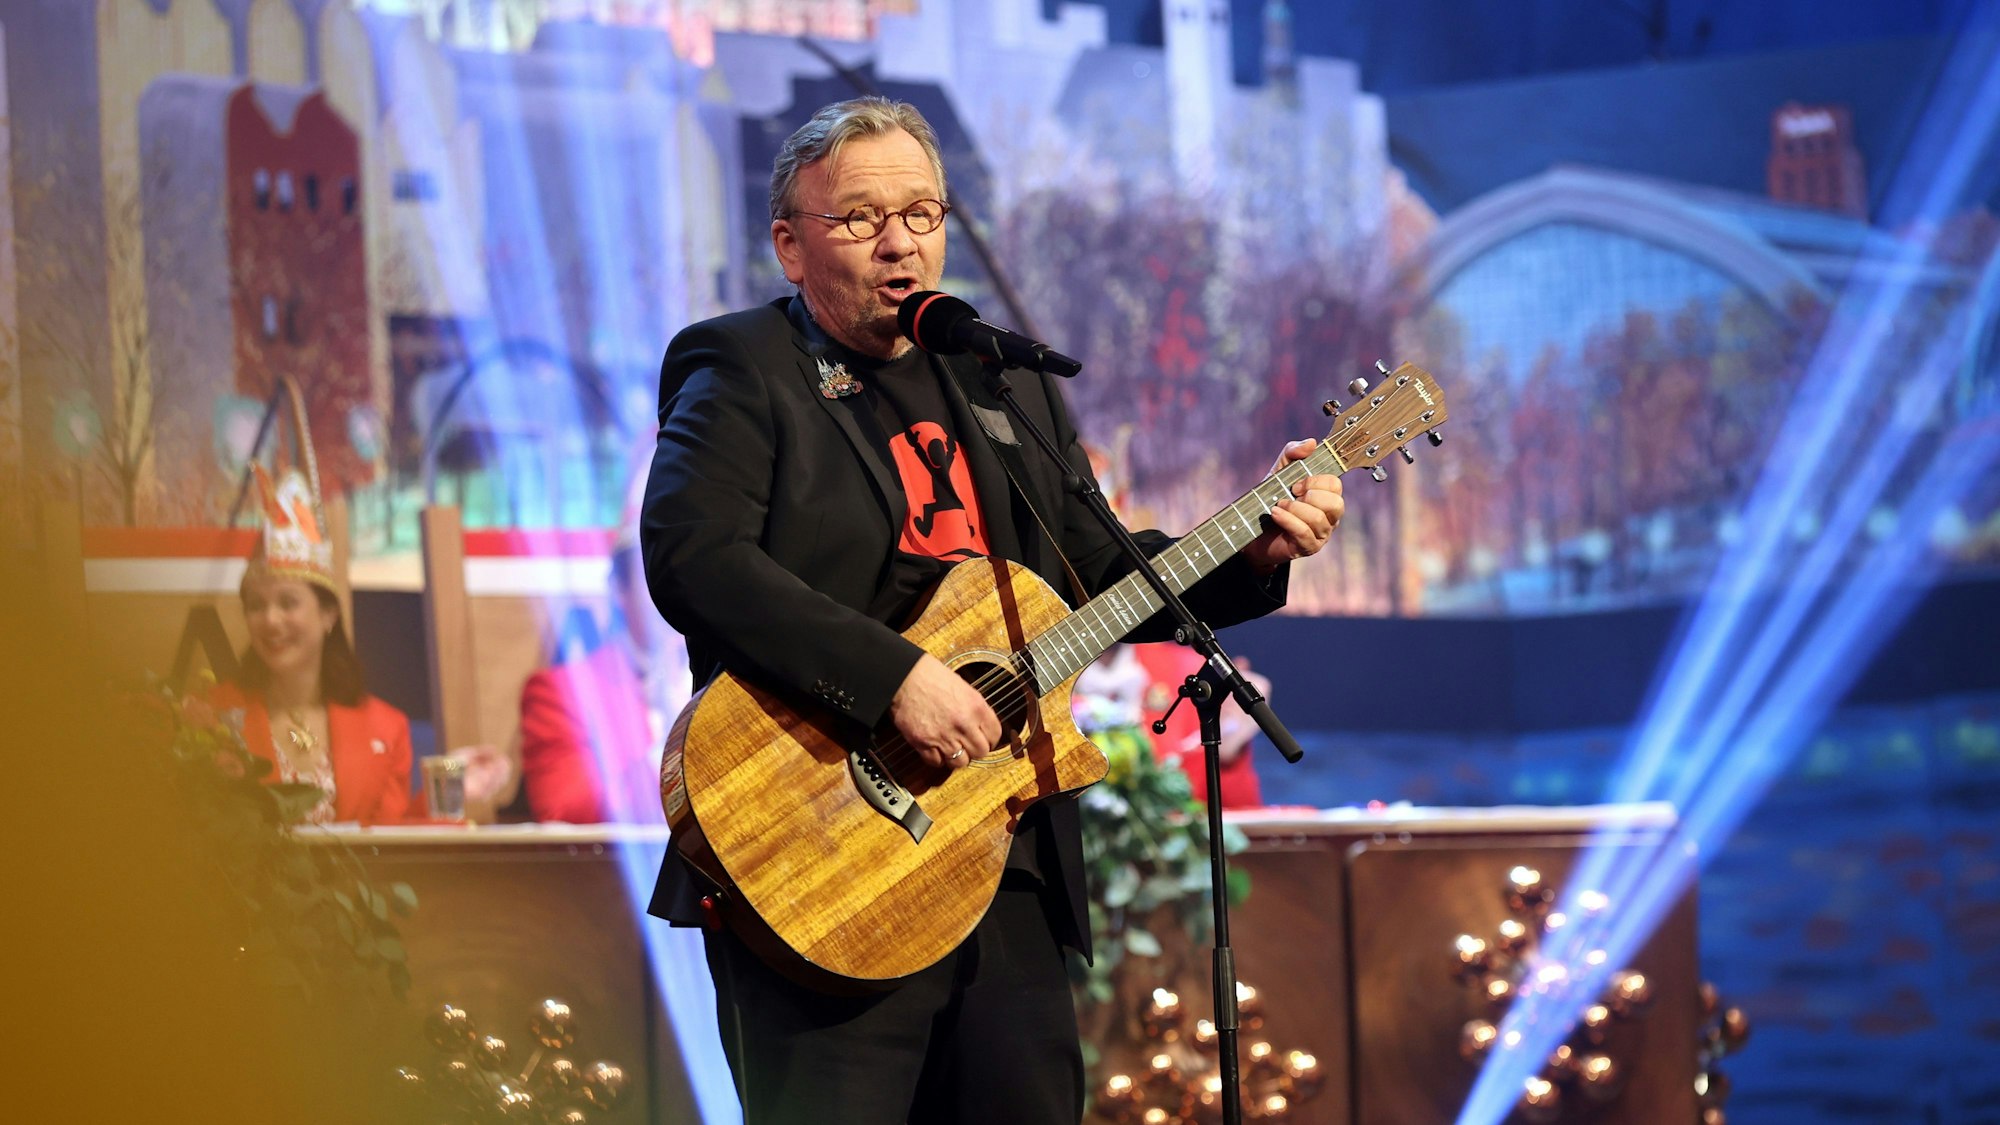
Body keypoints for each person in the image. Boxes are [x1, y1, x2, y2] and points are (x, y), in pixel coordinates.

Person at [639, 96, 1345, 1124]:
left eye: (922, 216)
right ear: (789, 247)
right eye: (859, 220)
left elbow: (1100, 572)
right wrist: (895, 680)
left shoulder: (998, 381)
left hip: (1000, 852)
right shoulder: (741, 366)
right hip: (819, 848)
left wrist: (1255, 548)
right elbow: (694, 558)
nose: (899, 246)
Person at [209, 465, 413, 825]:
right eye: (256, 606)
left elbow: (394, 844)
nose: (270, 620)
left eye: (288, 603)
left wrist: (457, 791)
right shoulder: (215, 717)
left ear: (328, 615)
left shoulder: (387, 728)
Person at [515, 527, 690, 824]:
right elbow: (562, 806)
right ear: (618, 589)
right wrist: (671, 755)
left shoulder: (736, 681)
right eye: (659, 579)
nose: (679, 594)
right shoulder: (563, 692)